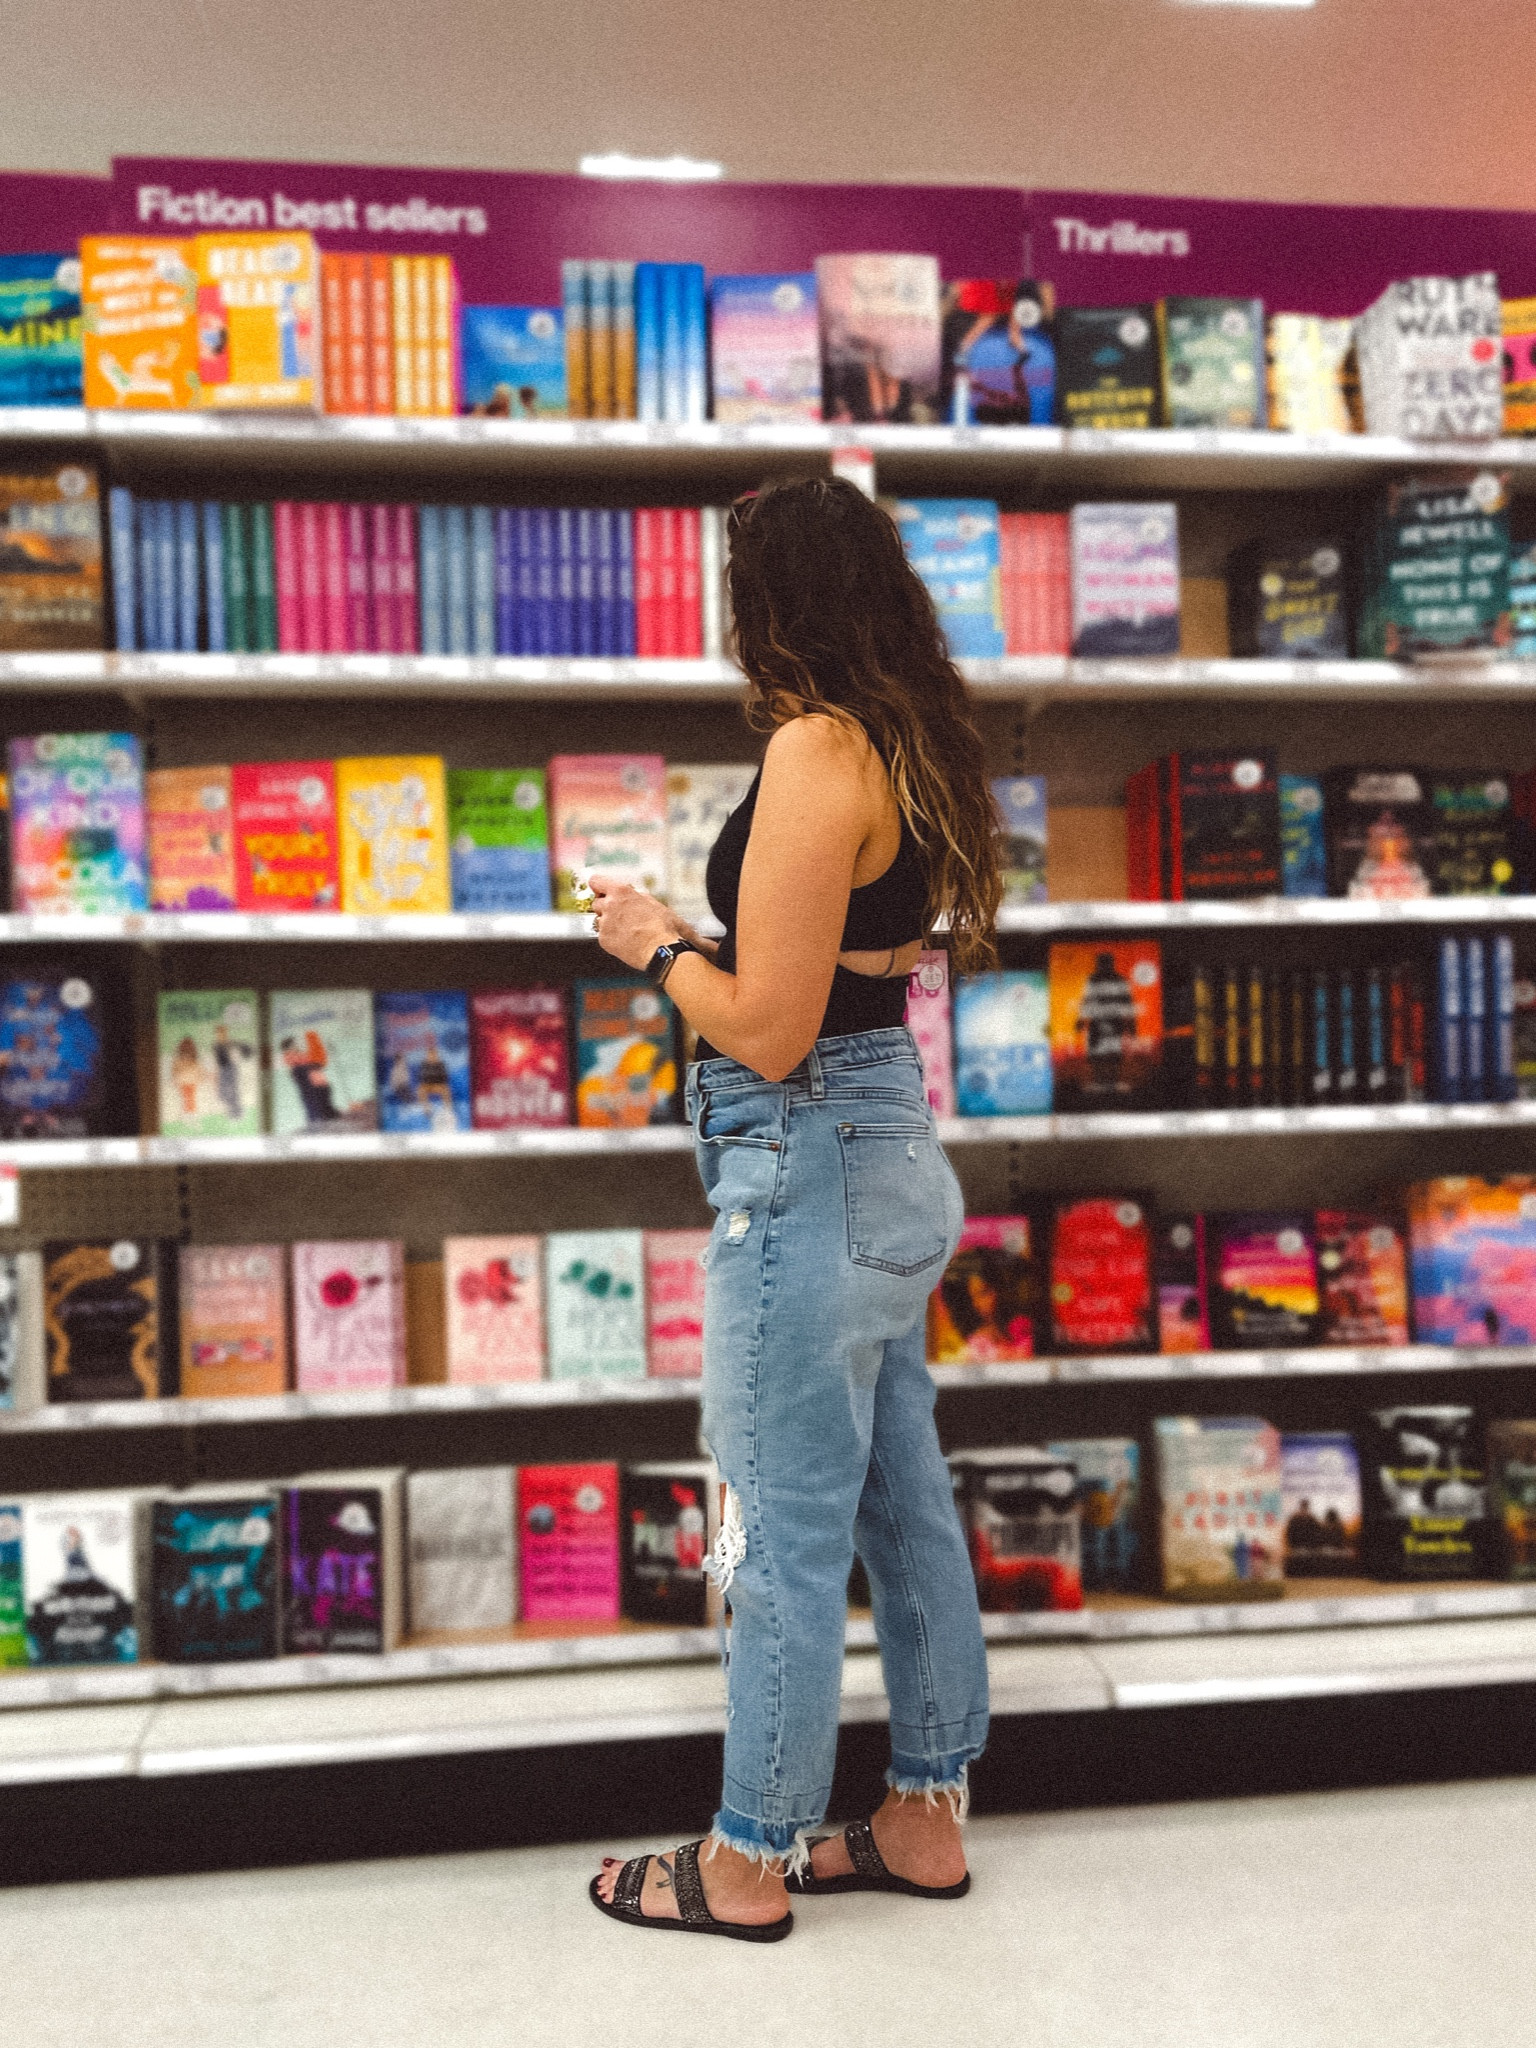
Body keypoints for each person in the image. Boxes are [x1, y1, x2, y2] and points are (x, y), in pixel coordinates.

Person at [588, 477, 1001, 1942]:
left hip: (805, 1157)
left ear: (775, 604)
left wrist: (654, 947)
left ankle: (747, 1855)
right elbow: (832, 971)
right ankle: (923, 1816)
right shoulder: (908, 739)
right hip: (884, 1145)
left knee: (771, 1521)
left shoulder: (817, 746)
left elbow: (766, 1030)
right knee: (902, 1505)